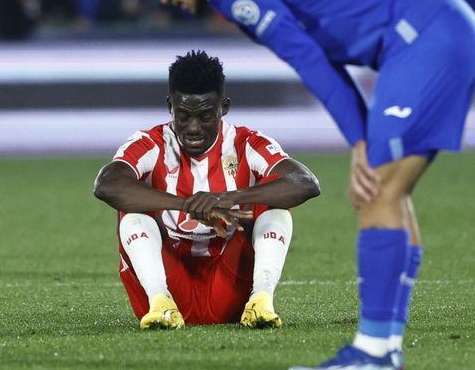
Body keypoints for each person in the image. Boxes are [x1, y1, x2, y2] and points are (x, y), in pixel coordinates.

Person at [131, 0, 475, 370]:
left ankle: (375, 351)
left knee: (376, 191)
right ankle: (384, 346)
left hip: (423, 37)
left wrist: (359, 139)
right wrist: (361, 136)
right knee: (390, 193)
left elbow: (308, 57)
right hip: (438, 27)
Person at [93, 50, 320, 330]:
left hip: (230, 289)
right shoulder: (150, 143)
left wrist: (230, 198)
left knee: (272, 202)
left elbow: (305, 183)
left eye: (205, 116)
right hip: (171, 282)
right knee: (130, 206)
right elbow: (106, 184)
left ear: (223, 108)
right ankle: (159, 303)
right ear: (170, 106)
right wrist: (186, 203)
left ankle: (261, 300)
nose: (193, 128)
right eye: (184, 115)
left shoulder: (246, 143)